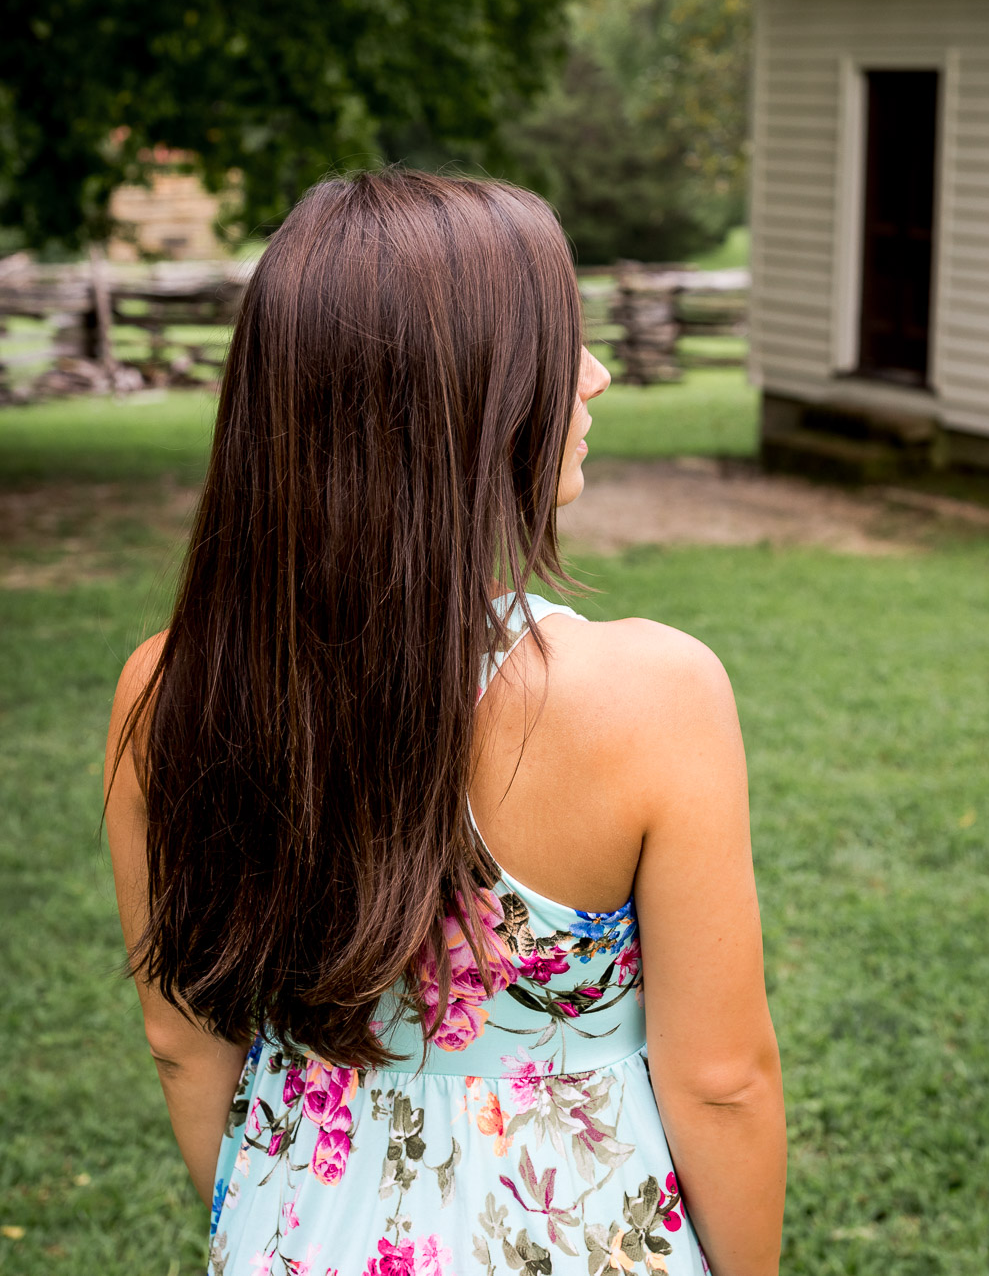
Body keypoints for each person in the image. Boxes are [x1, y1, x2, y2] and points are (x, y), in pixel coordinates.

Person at [105, 168, 786, 1276]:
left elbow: (184, 1043)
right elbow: (722, 1083)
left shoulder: (166, 689)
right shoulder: (653, 694)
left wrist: (273, 1220)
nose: (598, 374)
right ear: (459, 395)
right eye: (560, 346)